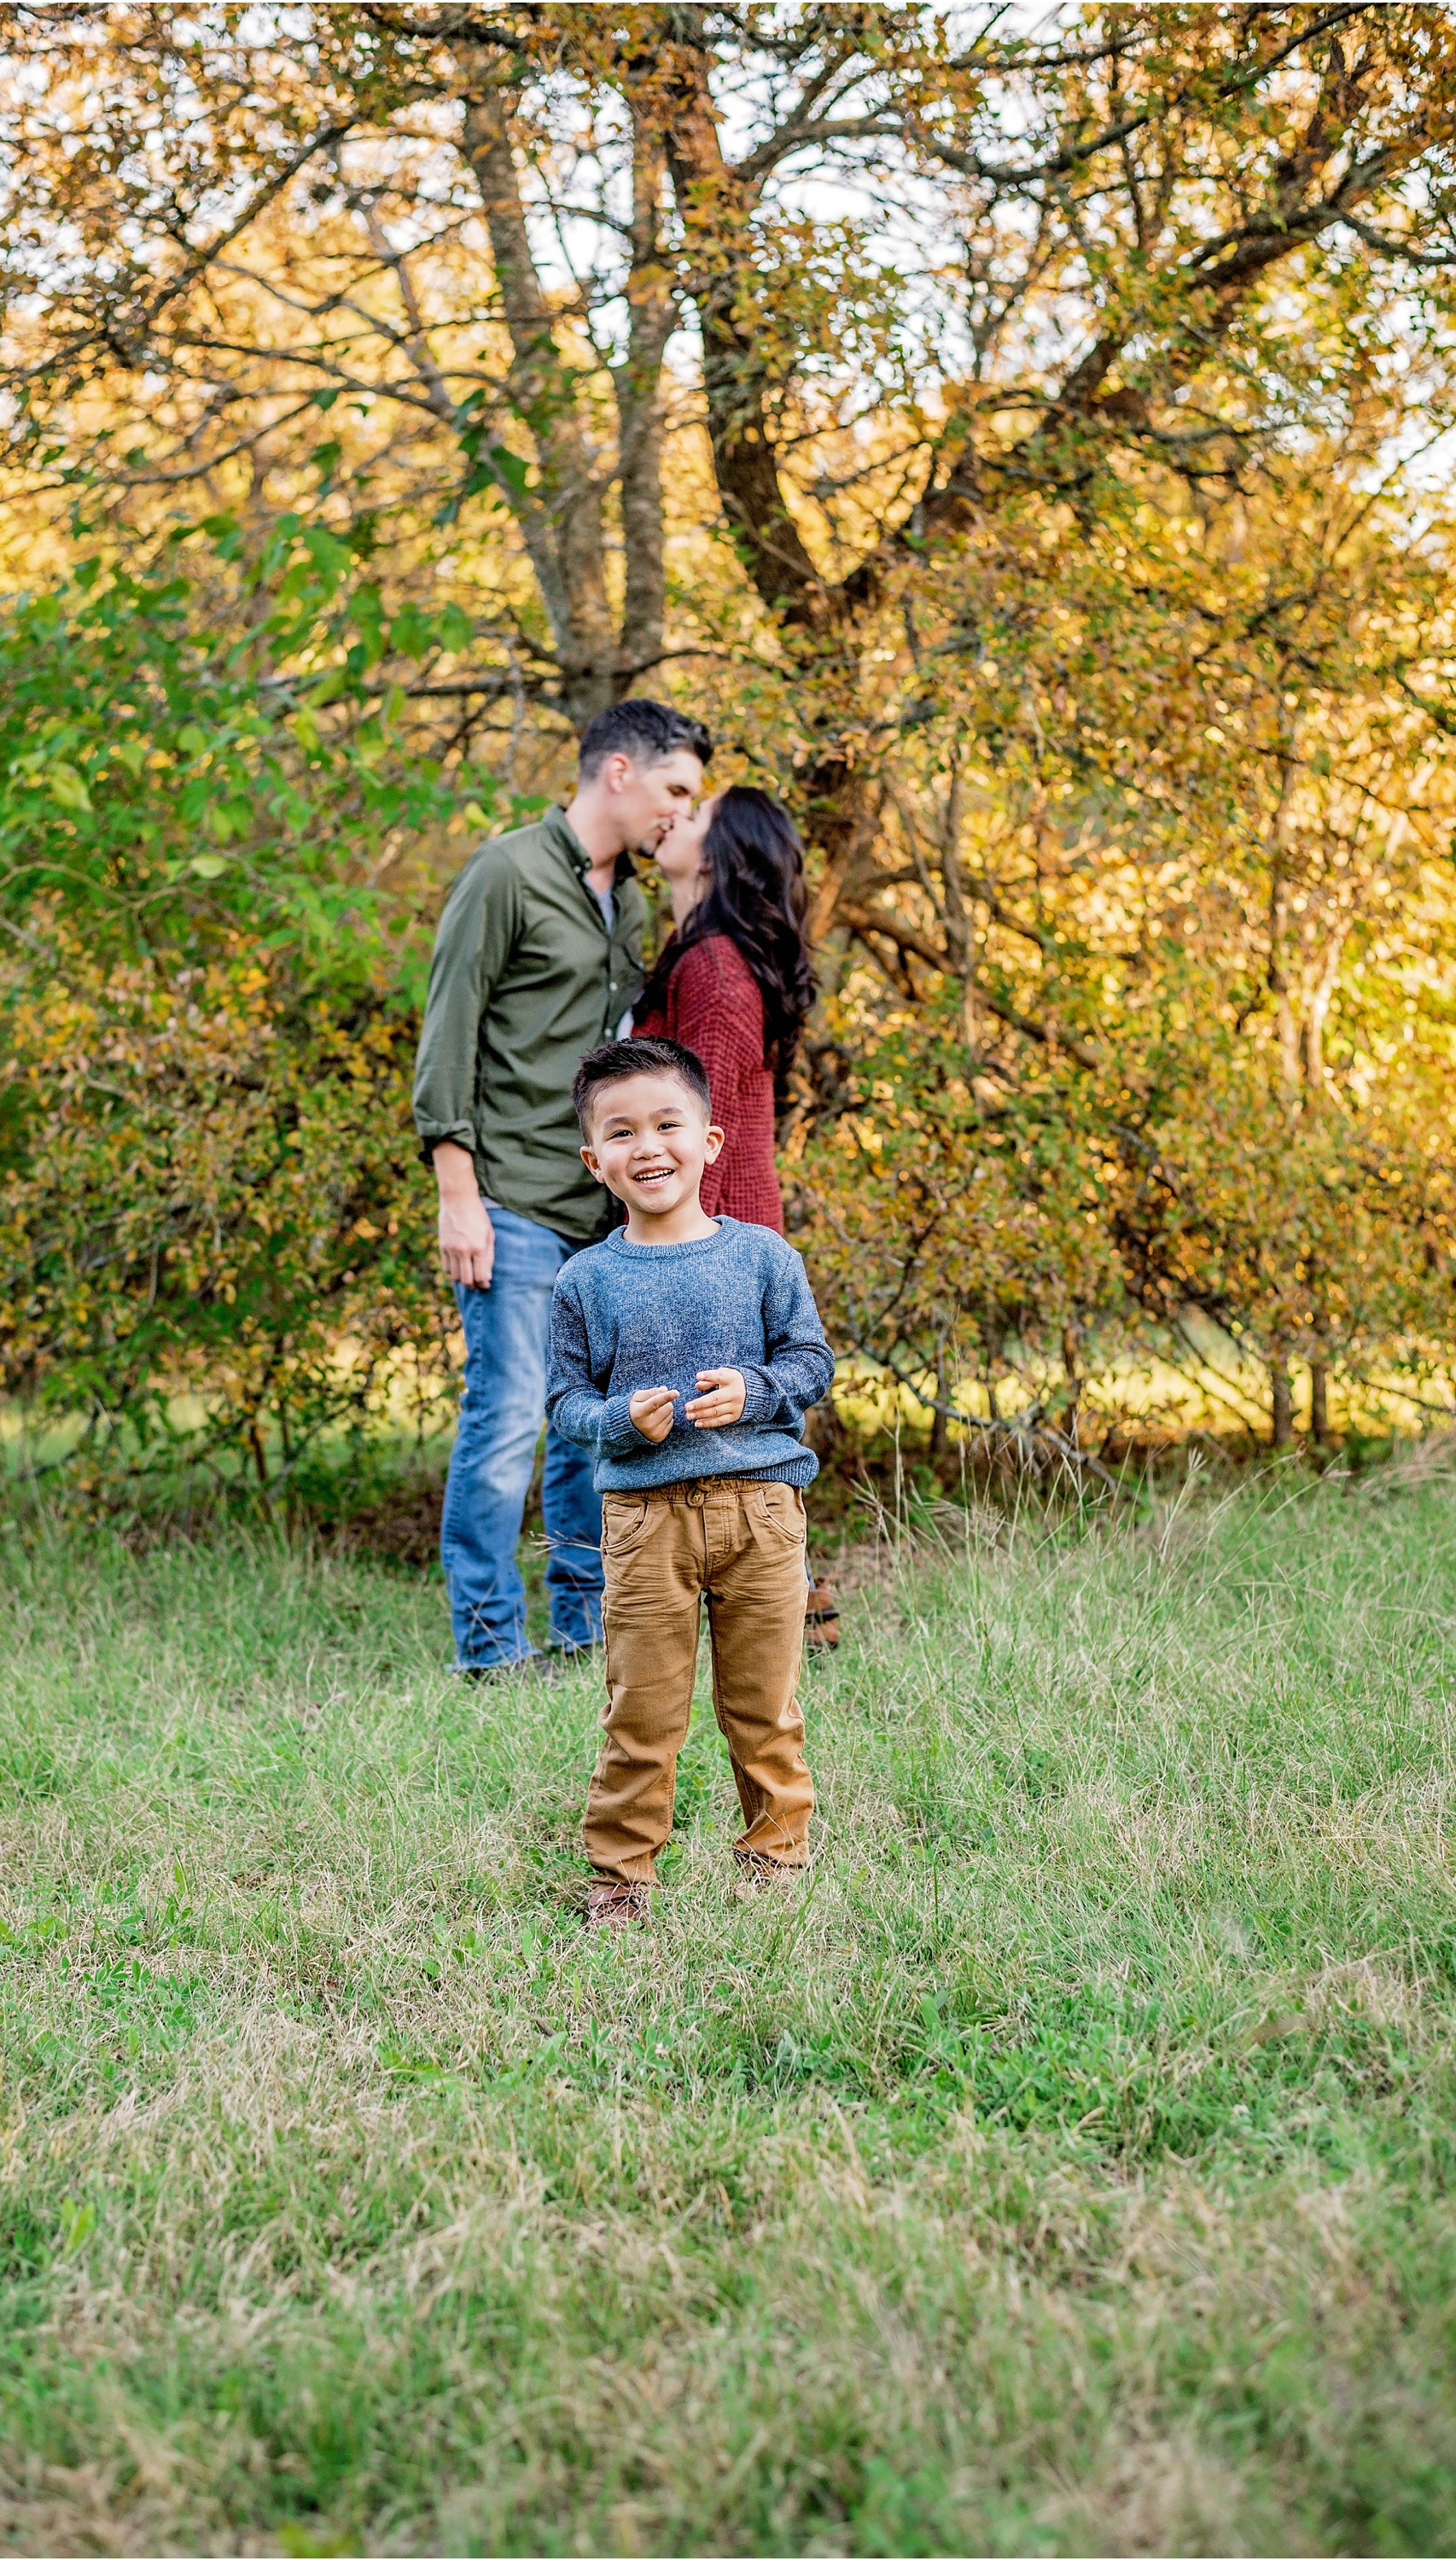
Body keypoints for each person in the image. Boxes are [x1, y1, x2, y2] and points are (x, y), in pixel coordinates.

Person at [412, 699, 713, 1674]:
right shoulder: (506, 873)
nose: (680, 811)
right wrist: (456, 1190)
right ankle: (491, 1647)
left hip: (598, 1208)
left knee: (591, 1427)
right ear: (618, 771)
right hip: (510, 1198)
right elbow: (449, 1030)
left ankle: (584, 1629)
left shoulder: (629, 902)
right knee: (505, 1419)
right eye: (674, 789)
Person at [545, 1035, 836, 1928]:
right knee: (641, 1711)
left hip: (761, 1512)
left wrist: (757, 1392)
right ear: (594, 1161)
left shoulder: (763, 1258)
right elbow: (564, 1402)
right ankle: (621, 1878)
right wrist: (616, 1421)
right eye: (621, 1132)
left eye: (667, 1125)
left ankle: (775, 1861)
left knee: (763, 1707)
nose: (648, 1148)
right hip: (644, 1522)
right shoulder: (584, 1280)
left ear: (709, 1142)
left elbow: (812, 1362)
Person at [632, 785, 841, 1648]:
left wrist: (676, 1256)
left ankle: (788, 1610)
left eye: (695, 811)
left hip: (714, 1237)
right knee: (725, 1439)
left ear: (719, 853)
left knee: (727, 1446)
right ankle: (788, 1607)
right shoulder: (699, 952)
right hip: (724, 1232)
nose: (674, 814)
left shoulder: (714, 969)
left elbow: (699, 1133)